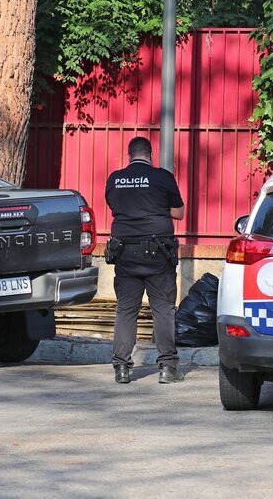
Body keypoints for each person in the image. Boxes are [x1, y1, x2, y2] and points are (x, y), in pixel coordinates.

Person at [104, 136, 185, 384]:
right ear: (151, 154)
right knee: (163, 309)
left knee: (126, 310)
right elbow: (178, 213)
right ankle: (168, 369)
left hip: (125, 252)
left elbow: (116, 208)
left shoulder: (115, 179)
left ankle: (121, 368)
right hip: (158, 253)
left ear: (129, 155)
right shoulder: (162, 177)